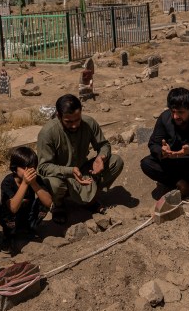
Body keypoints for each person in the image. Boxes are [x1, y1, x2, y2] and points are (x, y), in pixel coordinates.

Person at [36, 94, 124, 224]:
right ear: (59, 116)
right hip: (61, 175)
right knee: (54, 184)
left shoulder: (89, 123)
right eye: (69, 122)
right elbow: (43, 167)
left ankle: (91, 198)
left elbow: (103, 145)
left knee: (116, 161)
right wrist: (70, 171)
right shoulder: (48, 133)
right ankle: (59, 205)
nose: (74, 125)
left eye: (77, 120)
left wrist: (101, 157)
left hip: (83, 170)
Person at [0, 146, 53, 252]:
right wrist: (25, 183)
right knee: (6, 209)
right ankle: (9, 237)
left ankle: (30, 229)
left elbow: (48, 202)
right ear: (15, 167)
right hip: (12, 220)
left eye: (32, 168)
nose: (30, 172)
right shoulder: (8, 182)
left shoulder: (35, 179)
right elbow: (13, 208)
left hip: (28, 216)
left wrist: (33, 183)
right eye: (25, 168)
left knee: (42, 199)